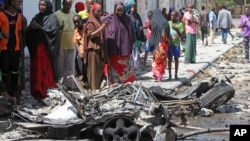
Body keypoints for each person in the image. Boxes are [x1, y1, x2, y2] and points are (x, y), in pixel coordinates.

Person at [26, 0, 60, 100]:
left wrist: (40, 27)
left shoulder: (52, 17)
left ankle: (45, 90)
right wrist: (31, 28)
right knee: (37, 69)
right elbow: (29, 29)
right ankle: (36, 90)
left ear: (48, 6)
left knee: (45, 69)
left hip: (45, 49)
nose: (41, 7)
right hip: (36, 48)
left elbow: (53, 32)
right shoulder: (37, 16)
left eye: (43, 5)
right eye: (40, 5)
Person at [101, 2, 136, 84]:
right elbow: (99, 23)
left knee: (126, 70)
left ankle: (127, 86)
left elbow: (132, 33)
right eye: (117, 10)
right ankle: (115, 86)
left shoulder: (127, 19)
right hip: (114, 50)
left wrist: (132, 45)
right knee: (115, 70)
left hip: (125, 50)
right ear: (114, 10)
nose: (119, 12)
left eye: (121, 10)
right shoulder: (110, 18)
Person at [0, 0, 23, 103]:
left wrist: (21, 49)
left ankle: (14, 94)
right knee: (5, 72)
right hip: (4, 49)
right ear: (11, 1)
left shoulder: (19, 16)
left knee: (15, 72)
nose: (20, 2)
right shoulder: (1, 15)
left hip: (16, 49)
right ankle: (6, 95)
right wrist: (2, 35)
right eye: (18, 0)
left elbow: (19, 33)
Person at [84, 3, 108, 91]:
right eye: (97, 11)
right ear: (93, 11)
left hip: (99, 50)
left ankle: (97, 89)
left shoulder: (98, 20)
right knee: (94, 73)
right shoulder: (91, 22)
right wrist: (102, 28)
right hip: (93, 51)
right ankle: (94, 91)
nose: (99, 13)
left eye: (100, 11)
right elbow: (91, 35)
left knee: (99, 73)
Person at [55, 0, 76, 91]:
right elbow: (52, 28)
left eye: (70, 4)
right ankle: (61, 84)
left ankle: (70, 85)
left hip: (72, 44)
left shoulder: (73, 14)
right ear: (62, 3)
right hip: (61, 44)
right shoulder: (56, 15)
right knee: (61, 66)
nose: (68, 6)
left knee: (70, 66)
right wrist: (58, 28)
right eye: (66, 4)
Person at [149, 8, 170, 82]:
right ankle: (159, 77)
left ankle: (155, 73)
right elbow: (167, 33)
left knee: (155, 59)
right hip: (162, 45)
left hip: (154, 43)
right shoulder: (165, 22)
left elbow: (150, 29)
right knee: (161, 61)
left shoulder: (152, 21)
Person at [72, 14, 88, 86]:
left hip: (88, 52)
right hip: (81, 54)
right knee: (83, 70)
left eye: (77, 22)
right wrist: (79, 52)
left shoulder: (86, 28)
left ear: (81, 21)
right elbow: (77, 43)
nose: (76, 24)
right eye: (74, 22)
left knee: (88, 69)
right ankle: (85, 85)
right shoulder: (76, 31)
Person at [168, 11, 184, 80]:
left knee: (176, 59)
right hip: (169, 45)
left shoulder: (180, 24)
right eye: (171, 15)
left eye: (173, 15)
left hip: (176, 44)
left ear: (177, 16)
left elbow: (182, 36)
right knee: (169, 60)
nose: (172, 17)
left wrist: (177, 29)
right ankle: (170, 75)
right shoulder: (168, 23)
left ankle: (176, 75)